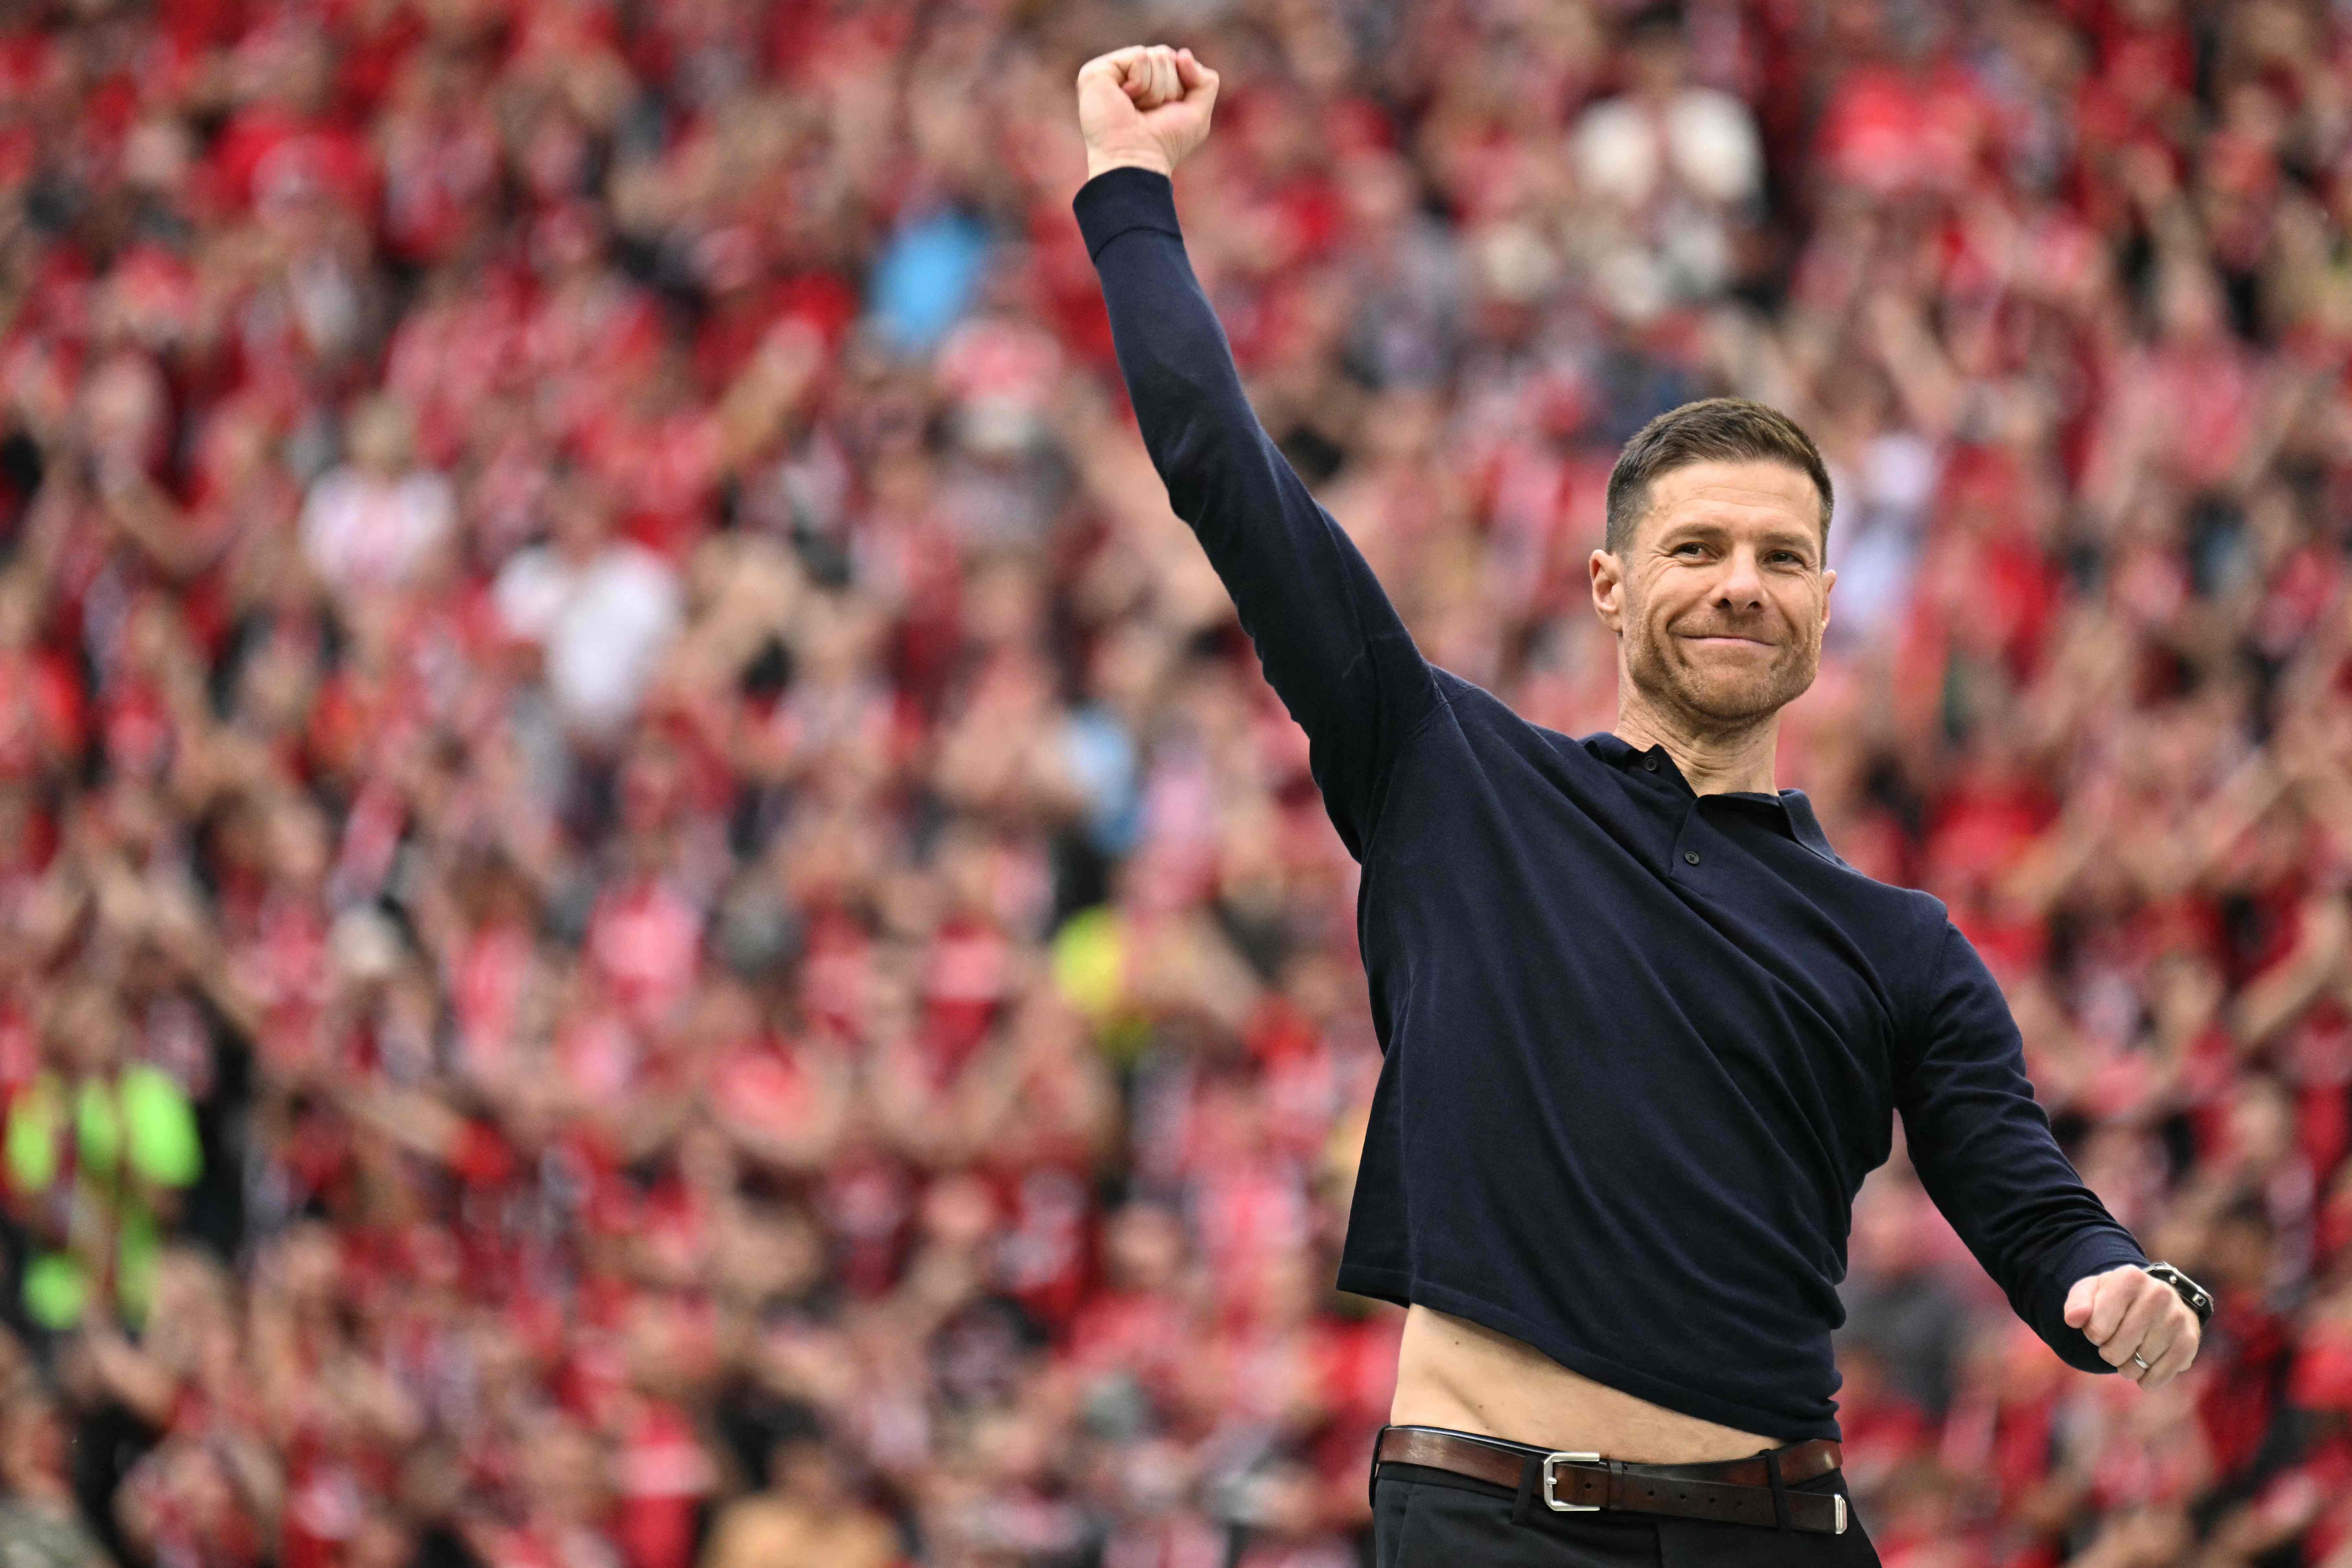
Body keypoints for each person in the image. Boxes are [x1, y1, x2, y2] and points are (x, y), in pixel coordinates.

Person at [1067, 42, 2215, 1567]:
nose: (1737, 582)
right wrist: (1128, 189)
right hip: (1489, 1520)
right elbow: (1221, 466)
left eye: (1778, 555)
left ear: (1822, 604)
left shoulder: (1900, 943)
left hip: (1775, 1526)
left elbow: (2025, 1199)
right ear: (1607, 585)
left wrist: (2116, 1286)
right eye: (1694, 549)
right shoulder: (1442, 775)